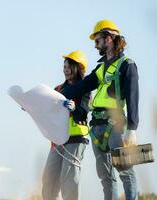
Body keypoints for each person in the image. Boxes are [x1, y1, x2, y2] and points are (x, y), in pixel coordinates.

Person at [62, 20, 139, 200]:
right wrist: (52, 96)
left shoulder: (127, 65)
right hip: (96, 126)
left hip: (116, 126)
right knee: (105, 176)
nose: (95, 45)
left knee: (125, 173)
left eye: (97, 41)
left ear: (109, 39)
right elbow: (80, 87)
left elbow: (133, 98)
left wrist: (132, 129)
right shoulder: (101, 68)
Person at [42, 50, 90, 200]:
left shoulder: (84, 88)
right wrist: (32, 105)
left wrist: (74, 108)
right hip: (57, 140)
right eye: (64, 66)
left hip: (75, 138)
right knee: (49, 179)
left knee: (68, 179)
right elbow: (47, 108)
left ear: (79, 68)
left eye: (70, 66)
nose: (66, 70)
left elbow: (83, 111)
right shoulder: (58, 89)